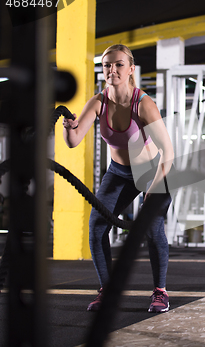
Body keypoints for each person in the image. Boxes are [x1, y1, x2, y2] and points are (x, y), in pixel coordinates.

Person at [62, 44, 174, 313]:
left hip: (152, 173)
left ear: (130, 69)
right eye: (107, 65)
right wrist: (68, 129)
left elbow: (168, 154)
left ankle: (160, 292)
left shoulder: (143, 104)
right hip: (119, 174)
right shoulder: (98, 102)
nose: (112, 69)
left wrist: (154, 189)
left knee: (153, 228)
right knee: (97, 227)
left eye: (118, 64)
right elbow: (74, 141)